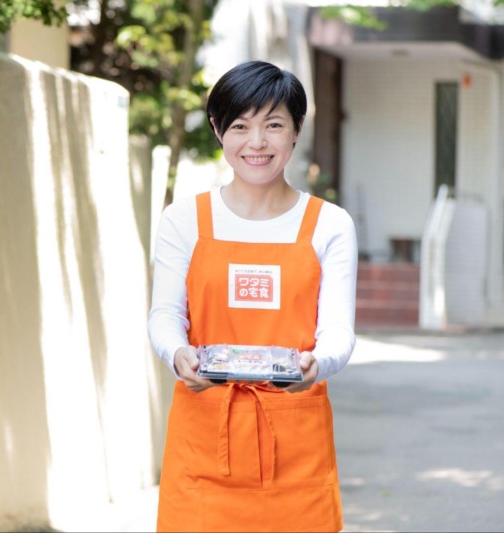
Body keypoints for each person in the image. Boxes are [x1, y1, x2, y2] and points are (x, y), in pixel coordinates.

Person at [147, 60, 358, 532]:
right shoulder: (184, 219)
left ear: (297, 130)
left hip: (294, 439)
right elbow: (165, 313)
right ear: (218, 130)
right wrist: (177, 353)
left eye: (274, 125)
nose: (257, 142)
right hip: (205, 437)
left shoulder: (329, 224)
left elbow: (338, 330)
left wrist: (316, 365)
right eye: (240, 126)